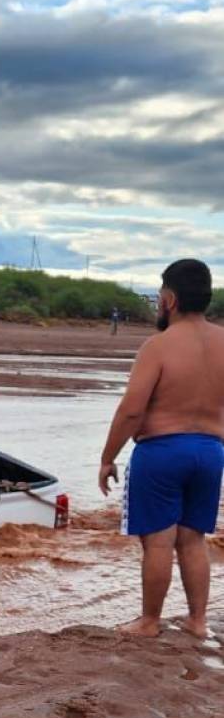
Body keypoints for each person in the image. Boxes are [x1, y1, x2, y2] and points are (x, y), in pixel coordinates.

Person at [99, 258, 224, 638]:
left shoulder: (158, 346)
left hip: (163, 451)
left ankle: (150, 621)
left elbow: (132, 409)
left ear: (169, 299)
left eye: (158, 296)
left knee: (157, 540)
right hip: (211, 451)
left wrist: (108, 457)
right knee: (193, 538)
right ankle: (198, 621)